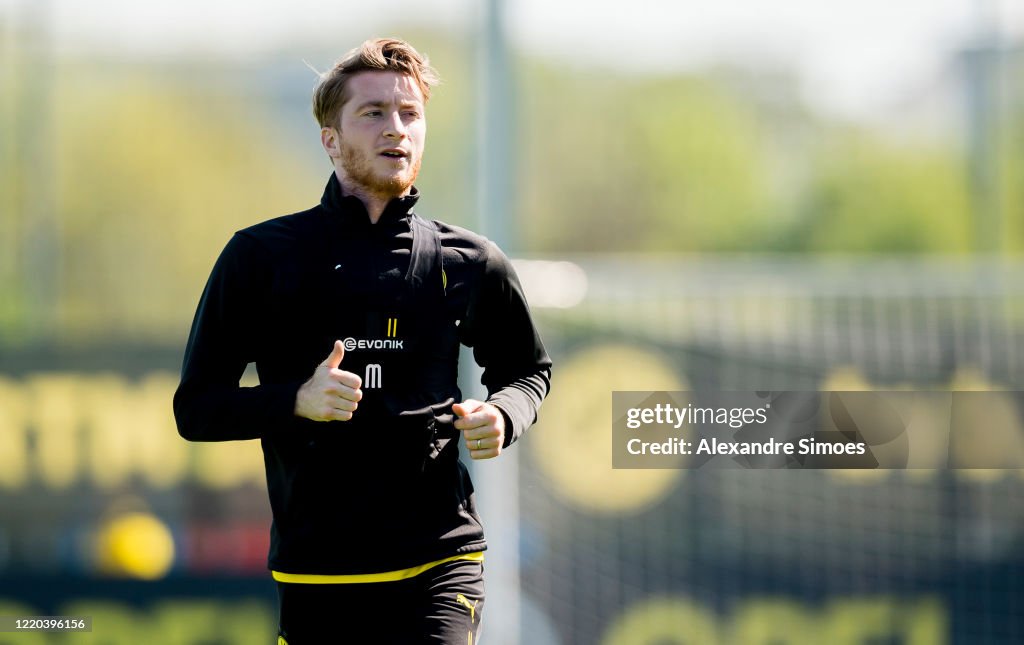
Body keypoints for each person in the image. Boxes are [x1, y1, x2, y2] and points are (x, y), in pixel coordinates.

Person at [173, 38, 551, 644]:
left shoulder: (469, 261)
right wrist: (297, 400)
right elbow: (195, 408)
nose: (395, 128)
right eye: (373, 112)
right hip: (318, 575)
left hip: (442, 562)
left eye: (410, 114)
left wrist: (503, 413)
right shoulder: (261, 257)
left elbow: (529, 371)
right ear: (331, 139)